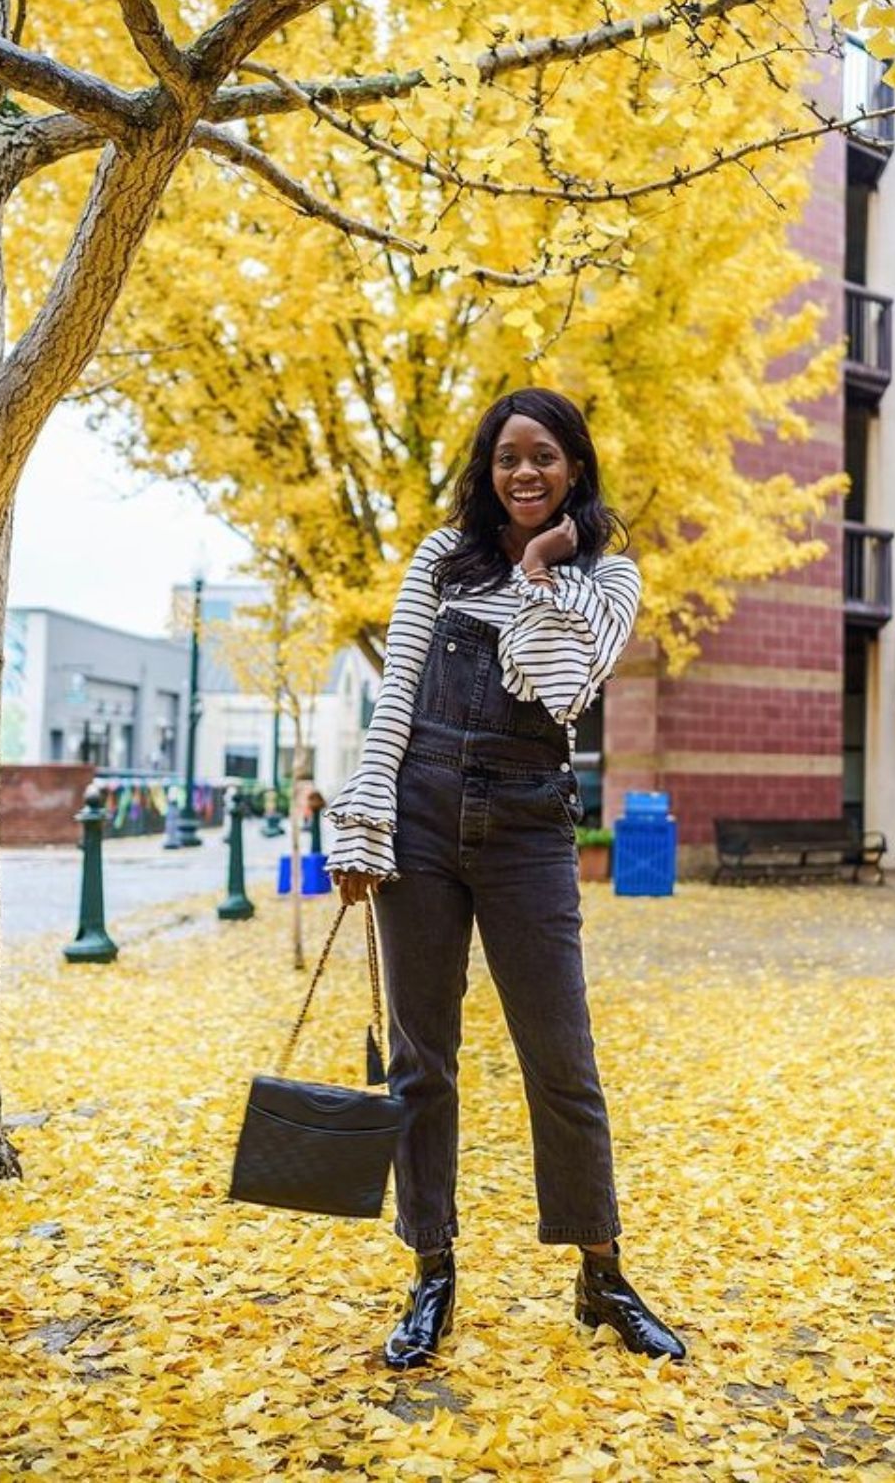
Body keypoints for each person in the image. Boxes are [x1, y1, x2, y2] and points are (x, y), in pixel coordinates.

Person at [325, 386, 685, 1369]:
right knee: (421, 1060)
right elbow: (396, 695)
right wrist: (364, 826)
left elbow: (556, 686)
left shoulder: (609, 579)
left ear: (575, 465)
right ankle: (430, 1272)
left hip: (529, 821)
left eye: (544, 456)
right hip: (423, 814)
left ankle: (601, 1273)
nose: (524, 472)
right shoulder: (439, 561)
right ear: (486, 472)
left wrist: (535, 574)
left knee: (561, 1059)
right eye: (506, 458)